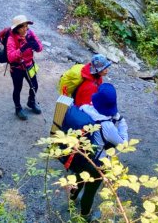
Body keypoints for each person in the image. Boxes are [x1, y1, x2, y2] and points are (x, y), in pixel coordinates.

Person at [64, 83, 128, 221]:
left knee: (78, 179)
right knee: (90, 191)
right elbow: (123, 144)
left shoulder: (84, 108)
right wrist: (122, 122)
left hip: (80, 155)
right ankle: (85, 215)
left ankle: (71, 201)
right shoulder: (107, 126)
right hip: (96, 163)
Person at [6, 15, 43, 120]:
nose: (26, 28)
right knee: (17, 89)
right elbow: (11, 57)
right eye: (22, 26)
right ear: (17, 28)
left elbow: (40, 47)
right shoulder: (11, 39)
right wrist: (22, 49)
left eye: (26, 26)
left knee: (34, 85)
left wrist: (37, 46)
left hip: (29, 65)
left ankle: (31, 102)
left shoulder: (30, 34)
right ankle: (18, 109)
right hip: (17, 68)